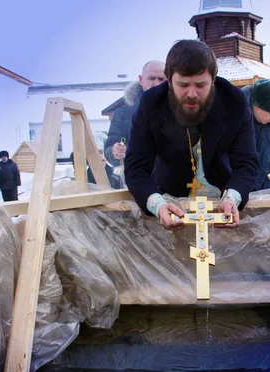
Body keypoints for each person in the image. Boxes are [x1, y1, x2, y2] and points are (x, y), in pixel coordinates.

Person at [125, 39, 259, 231]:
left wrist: (232, 197)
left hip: (220, 198)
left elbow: (247, 162)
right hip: (170, 197)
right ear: (169, 80)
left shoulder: (234, 102)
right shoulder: (151, 104)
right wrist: (158, 204)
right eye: (183, 84)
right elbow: (135, 167)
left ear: (213, 80)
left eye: (200, 85)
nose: (192, 93)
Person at [103, 60, 166, 188]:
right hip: (138, 183)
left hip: (173, 183)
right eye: (151, 78)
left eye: (161, 79)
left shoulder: (179, 109)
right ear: (141, 79)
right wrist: (115, 151)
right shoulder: (123, 113)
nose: (156, 84)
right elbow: (109, 150)